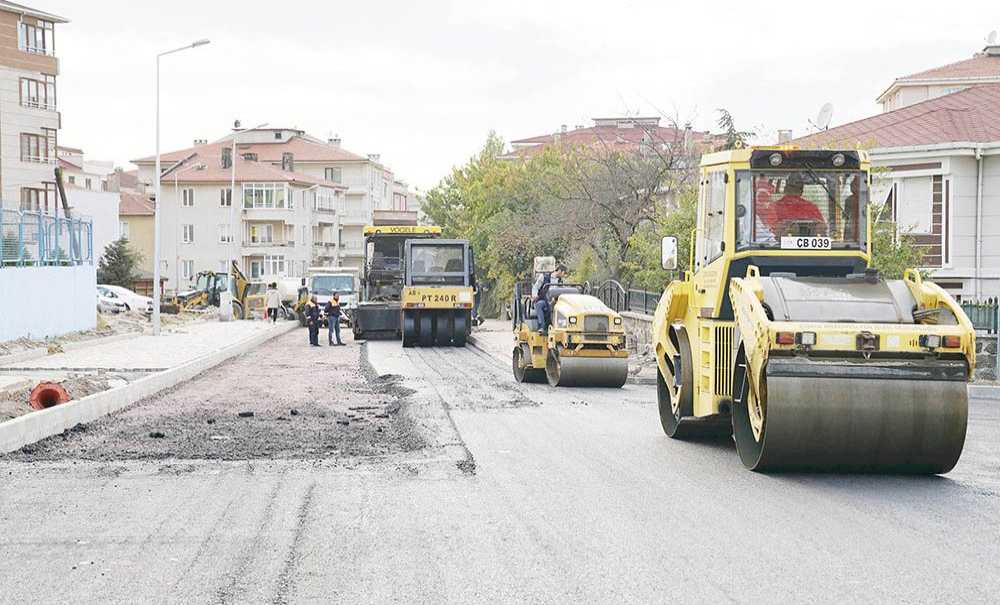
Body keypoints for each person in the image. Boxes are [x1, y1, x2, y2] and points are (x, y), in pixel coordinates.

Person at [532, 264, 566, 335]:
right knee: (539, 305)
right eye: (564, 273)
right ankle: (542, 326)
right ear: (559, 271)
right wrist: (535, 296)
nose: (564, 275)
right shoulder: (544, 277)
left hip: (555, 301)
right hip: (544, 299)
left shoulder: (560, 281)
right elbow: (535, 287)